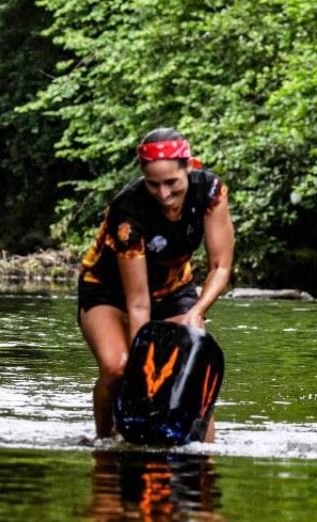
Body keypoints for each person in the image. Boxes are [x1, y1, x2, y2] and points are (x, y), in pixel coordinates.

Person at [77, 128, 234, 440]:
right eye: (153, 184)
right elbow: (138, 303)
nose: (163, 194)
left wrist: (198, 311)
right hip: (108, 291)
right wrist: (142, 367)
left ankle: (204, 455)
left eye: (172, 182)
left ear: (189, 167)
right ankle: (105, 442)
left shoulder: (211, 192)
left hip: (174, 288)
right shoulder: (128, 211)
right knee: (118, 369)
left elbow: (221, 266)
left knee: (191, 365)